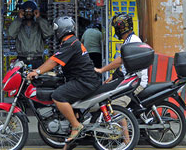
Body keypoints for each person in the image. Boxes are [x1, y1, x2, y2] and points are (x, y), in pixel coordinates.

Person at [27, 16, 100, 149]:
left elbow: (54, 60)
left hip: (84, 82)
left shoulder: (71, 43)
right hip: (83, 80)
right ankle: (70, 140)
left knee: (58, 96)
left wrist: (37, 72)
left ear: (60, 30)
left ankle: (76, 126)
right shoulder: (71, 42)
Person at [95, 13, 148, 145]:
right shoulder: (129, 40)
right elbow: (124, 66)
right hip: (129, 79)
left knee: (115, 105)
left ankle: (126, 141)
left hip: (136, 82)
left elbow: (121, 60)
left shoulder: (133, 41)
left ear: (120, 28)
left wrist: (102, 70)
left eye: (115, 28)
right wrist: (112, 77)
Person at [8, 1, 53, 68]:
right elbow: (11, 33)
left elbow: (49, 33)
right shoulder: (19, 25)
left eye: (30, 11)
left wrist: (39, 18)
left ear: (34, 12)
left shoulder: (39, 25)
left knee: (38, 78)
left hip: (37, 60)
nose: (28, 13)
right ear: (23, 12)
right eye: (26, 11)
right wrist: (19, 19)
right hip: (21, 59)